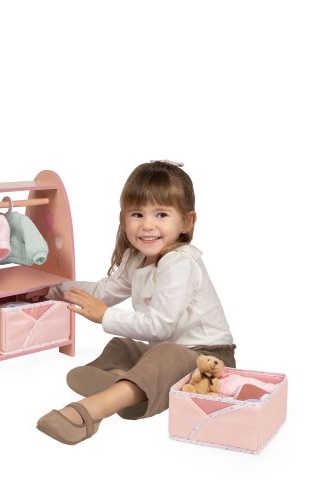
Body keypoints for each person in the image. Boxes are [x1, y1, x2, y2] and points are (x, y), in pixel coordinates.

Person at [33, 160, 236, 445]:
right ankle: (122, 380)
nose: (147, 225)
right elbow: (101, 292)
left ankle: (93, 410)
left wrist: (105, 316)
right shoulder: (136, 258)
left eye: (161, 214)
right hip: (165, 351)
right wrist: (52, 290)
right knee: (122, 346)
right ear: (124, 219)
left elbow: (160, 327)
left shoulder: (179, 263)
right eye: (137, 214)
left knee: (165, 353)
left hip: (209, 359)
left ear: (186, 222)